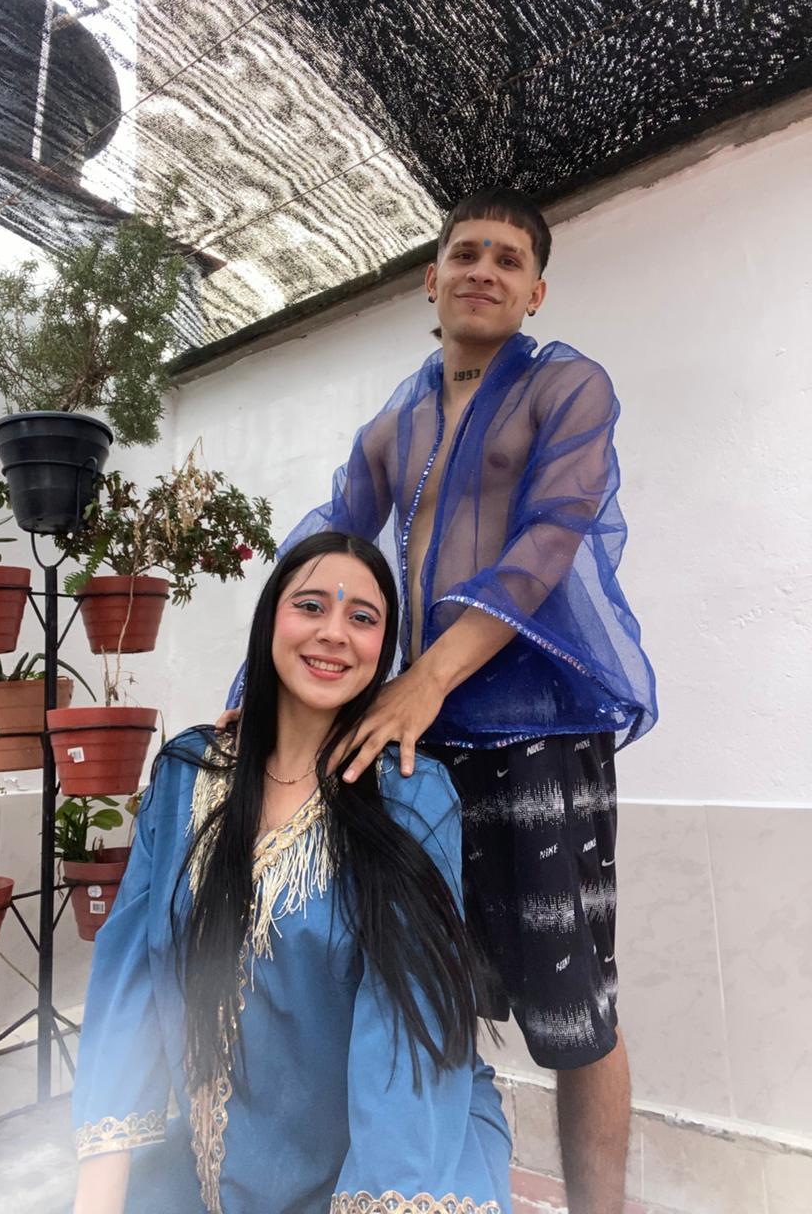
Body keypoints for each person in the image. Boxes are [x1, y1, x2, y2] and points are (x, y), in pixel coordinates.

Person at [221, 188, 657, 1214]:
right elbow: (331, 537)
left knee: (573, 1012)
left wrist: (424, 674)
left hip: (540, 727)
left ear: (535, 290)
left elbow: (549, 540)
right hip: (426, 742)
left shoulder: (567, 385)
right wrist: (256, 686)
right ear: (432, 277)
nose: (484, 271)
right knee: (421, 989)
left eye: (508, 259)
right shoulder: (397, 419)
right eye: (466, 253)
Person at [72, 532, 513, 1214]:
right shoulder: (187, 774)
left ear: (383, 649)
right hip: (208, 1172)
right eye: (311, 606)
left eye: (362, 617)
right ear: (269, 621)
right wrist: (98, 1193)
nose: (334, 632)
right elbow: (125, 975)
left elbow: (406, 1033)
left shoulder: (411, 797)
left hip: (387, 1168)